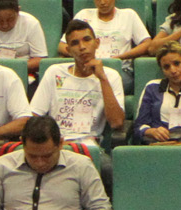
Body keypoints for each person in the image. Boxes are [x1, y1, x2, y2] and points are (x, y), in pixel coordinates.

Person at [29, 18, 124, 146]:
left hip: (88, 145)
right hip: (55, 144)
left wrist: (102, 79)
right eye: (75, 43)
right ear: (68, 50)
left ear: (97, 43)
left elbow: (117, 122)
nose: (82, 47)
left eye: (87, 40)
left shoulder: (111, 76)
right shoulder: (54, 72)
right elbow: (34, 115)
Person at [129, 47, 181, 145]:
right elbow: (139, 126)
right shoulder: (152, 87)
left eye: (177, 63)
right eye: (166, 67)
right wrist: (151, 131)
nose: (173, 70)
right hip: (159, 146)